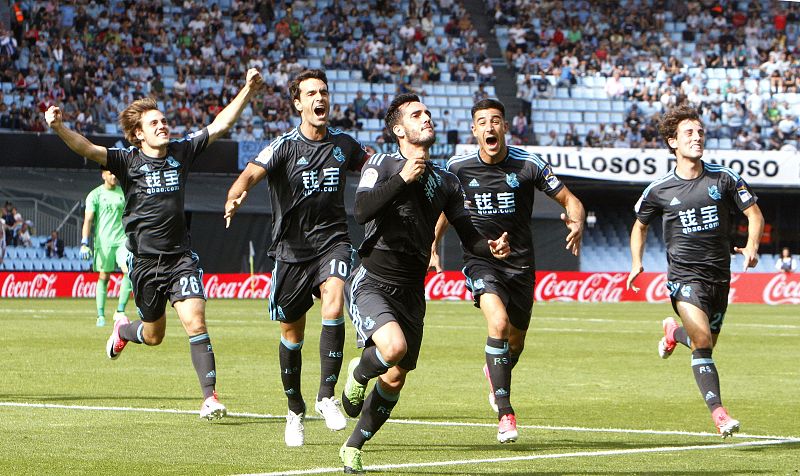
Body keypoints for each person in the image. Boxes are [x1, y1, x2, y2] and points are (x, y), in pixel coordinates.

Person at [45, 68, 263, 420]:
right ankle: (124, 331)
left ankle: (210, 397)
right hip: (145, 264)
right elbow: (85, 147)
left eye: (164, 121)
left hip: (180, 259)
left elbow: (219, 126)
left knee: (196, 321)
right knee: (154, 335)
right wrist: (58, 127)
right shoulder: (127, 160)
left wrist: (247, 91)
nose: (163, 126)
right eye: (154, 123)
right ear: (138, 135)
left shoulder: (182, 152)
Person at [337, 93, 510, 473]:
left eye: (428, 113)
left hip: (413, 293)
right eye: (417, 114)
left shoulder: (446, 181)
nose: (426, 118)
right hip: (373, 280)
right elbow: (362, 210)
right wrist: (401, 178)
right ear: (399, 129)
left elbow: (467, 234)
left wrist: (490, 246)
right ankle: (358, 372)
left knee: (396, 378)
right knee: (392, 348)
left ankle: (354, 445)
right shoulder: (379, 164)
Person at [224, 69, 368, 446]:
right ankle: (294, 409)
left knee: (335, 300)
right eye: (311, 94)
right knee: (292, 335)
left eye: (323, 92)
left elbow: (371, 168)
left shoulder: (345, 144)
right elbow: (250, 175)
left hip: (333, 242)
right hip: (291, 253)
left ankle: (326, 396)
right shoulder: (284, 146)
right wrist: (235, 196)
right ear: (298, 104)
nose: (319, 98)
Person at [430, 98, 585, 444]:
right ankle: (506, 413)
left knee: (515, 342)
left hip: (521, 266)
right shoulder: (457, 167)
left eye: (496, 121)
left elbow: (570, 199)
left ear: (504, 128)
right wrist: (432, 249)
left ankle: (495, 370)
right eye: (482, 122)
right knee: (497, 323)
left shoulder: (528, 164)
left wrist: (577, 221)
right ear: (475, 130)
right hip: (480, 260)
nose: (489, 127)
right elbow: (442, 210)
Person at [627, 104, 764, 438]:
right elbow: (640, 226)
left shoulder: (724, 178)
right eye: (689, 132)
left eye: (700, 132)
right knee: (702, 340)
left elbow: (755, 215)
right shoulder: (659, 189)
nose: (697, 137)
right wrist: (636, 262)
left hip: (720, 276)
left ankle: (673, 333)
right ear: (673, 141)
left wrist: (752, 246)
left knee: (706, 344)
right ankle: (719, 414)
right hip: (683, 278)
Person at [81, 170, 133, 327]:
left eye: (116, 173)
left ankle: (120, 310)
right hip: (103, 243)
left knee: (129, 271)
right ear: (103, 175)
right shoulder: (95, 195)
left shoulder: (123, 192)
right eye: (110, 173)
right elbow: (88, 219)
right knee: (104, 277)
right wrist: (84, 242)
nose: (114, 176)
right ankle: (100, 315)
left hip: (122, 241)